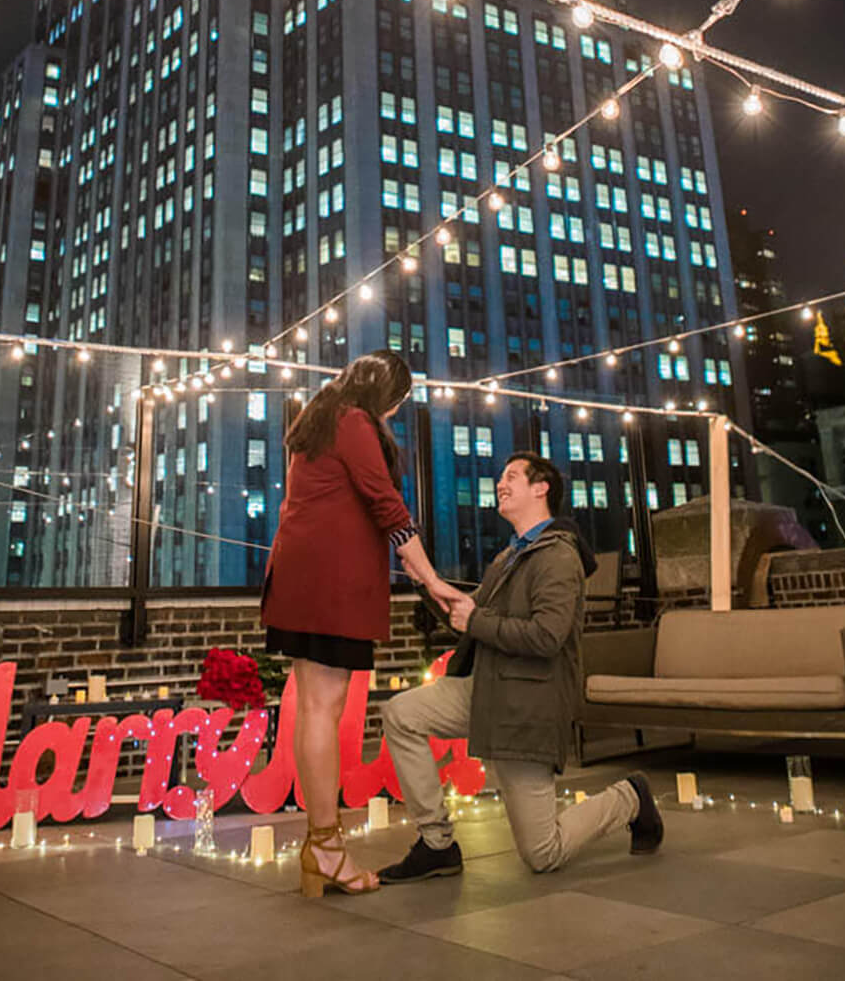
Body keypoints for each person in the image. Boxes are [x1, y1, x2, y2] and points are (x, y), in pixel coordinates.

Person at [378, 451, 663, 881]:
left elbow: (547, 637)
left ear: (541, 487)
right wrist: (429, 586)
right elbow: (478, 624)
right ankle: (437, 843)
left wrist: (475, 618)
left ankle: (630, 797)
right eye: (500, 478)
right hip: (487, 690)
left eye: (511, 476)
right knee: (401, 714)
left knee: (542, 853)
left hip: (527, 706)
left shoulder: (557, 556)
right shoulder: (509, 557)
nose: (500, 484)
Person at [261, 351, 461, 898]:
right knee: (324, 711)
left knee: (313, 711)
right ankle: (325, 847)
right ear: (386, 395)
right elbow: (386, 504)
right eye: (395, 406)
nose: (393, 417)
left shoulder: (319, 419)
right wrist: (434, 582)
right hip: (331, 586)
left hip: (301, 579)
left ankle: (320, 841)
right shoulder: (353, 420)